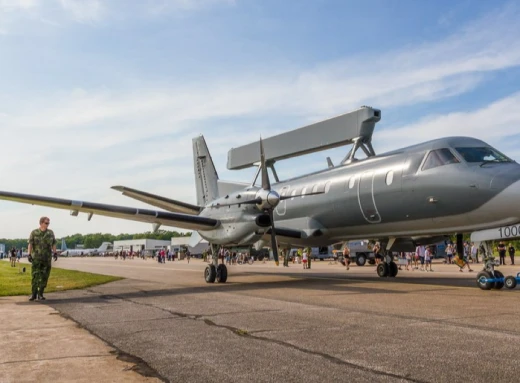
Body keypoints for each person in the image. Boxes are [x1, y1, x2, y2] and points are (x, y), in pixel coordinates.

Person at [27, 216, 56, 301]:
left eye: (48, 223)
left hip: (47, 259)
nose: (48, 225)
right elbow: (30, 244)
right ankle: (33, 294)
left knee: (44, 277)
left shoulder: (50, 233)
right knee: (35, 276)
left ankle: (40, 294)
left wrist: (55, 253)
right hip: (36, 258)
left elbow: (53, 243)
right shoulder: (34, 232)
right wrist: (29, 254)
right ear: (41, 223)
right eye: (46, 223)